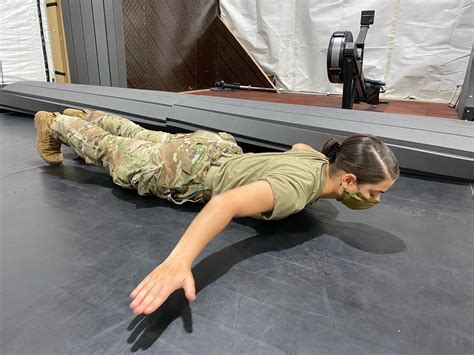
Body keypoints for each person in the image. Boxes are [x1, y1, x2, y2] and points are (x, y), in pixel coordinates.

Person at [34, 108, 399, 316]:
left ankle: (85, 113)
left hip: (213, 147)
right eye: (374, 193)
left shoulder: (319, 160)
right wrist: (178, 262)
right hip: (187, 171)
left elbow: (300, 146)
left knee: (137, 134)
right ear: (348, 180)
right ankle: (55, 123)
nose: (376, 201)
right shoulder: (298, 189)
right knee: (111, 151)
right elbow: (225, 203)